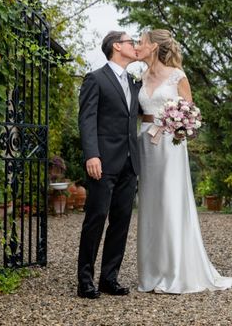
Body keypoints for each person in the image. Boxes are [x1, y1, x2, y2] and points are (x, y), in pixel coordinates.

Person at [136, 29, 232, 293]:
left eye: (141, 42)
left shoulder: (178, 76)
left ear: (153, 47)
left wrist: (176, 123)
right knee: (150, 205)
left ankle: (176, 272)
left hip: (170, 145)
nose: (137, 45)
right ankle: (152, 272)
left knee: (171, 202)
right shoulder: (140, 77)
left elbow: (191, 114)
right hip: (145, 143)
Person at [77, 31, 141, 299]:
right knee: (96, 219)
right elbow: (87, 119)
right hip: (102, 162)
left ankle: (109, 277)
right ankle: (85, 280)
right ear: (117, 46)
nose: (135, 46)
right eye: (131, 42)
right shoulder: (96, 79)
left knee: (121, 222)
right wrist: (92, 154)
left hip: (130, 163)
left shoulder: (134, 81)